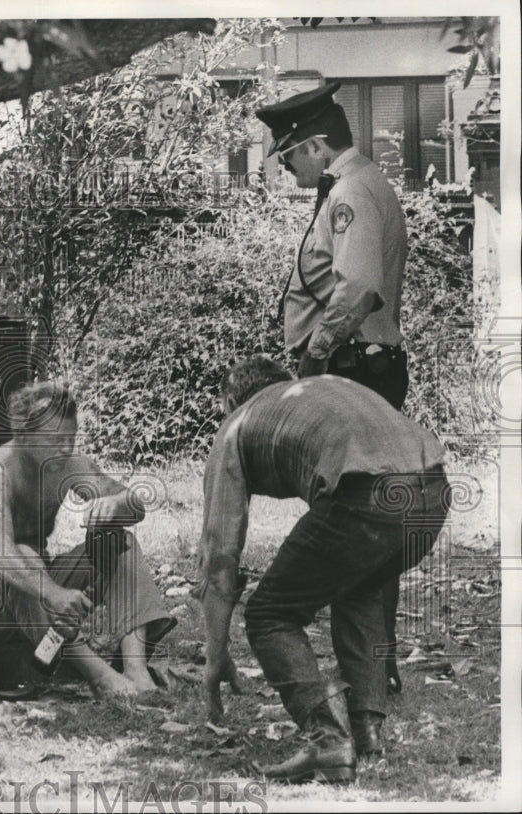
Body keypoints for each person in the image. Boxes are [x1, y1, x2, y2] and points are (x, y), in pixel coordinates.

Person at [196, 357, 449, 783]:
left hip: (365, 495)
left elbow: (220, 554)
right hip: (434, 491)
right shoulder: (321, 389)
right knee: (361, 587)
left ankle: (328, 741)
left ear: (230, 401)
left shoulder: (237, 424)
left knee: (269, 614)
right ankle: (366, 729)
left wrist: (216, 655)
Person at [256, 81, 410, 691]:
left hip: (351, 365)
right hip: (361, 364)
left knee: (356, 524)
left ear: (318, 146)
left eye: (291, 155)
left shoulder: (349, 193)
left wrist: (314, 359)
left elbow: (356, 287)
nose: (289, 167)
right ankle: (373, 667)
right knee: (363, 522)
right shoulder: (361, 184)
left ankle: (370, 671)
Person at [0, 381, 175, 700]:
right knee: (24, 556)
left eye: (70, 438)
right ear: (24, 436)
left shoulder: (70, 464)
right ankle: (99, 677)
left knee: (118, 541)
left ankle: (137, 671)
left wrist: (117, 505)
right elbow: (0, 553)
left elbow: (134, 505)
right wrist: (55, 594)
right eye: (54, 440)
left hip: (30, 588)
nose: (65, 448)